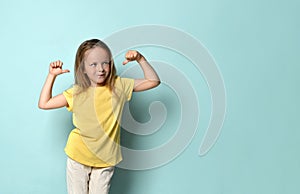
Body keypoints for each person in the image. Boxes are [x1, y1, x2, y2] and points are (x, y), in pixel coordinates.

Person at [38, 39, 160, 194]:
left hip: (105, 160)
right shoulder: (76, 92)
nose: (101, 69)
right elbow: (44, 103)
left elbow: (153, 81)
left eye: (105, 63)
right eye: (93, 64)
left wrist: (141, 60)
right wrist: (51, 75)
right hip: (78, 157)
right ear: (83, 68)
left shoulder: (119, 86)